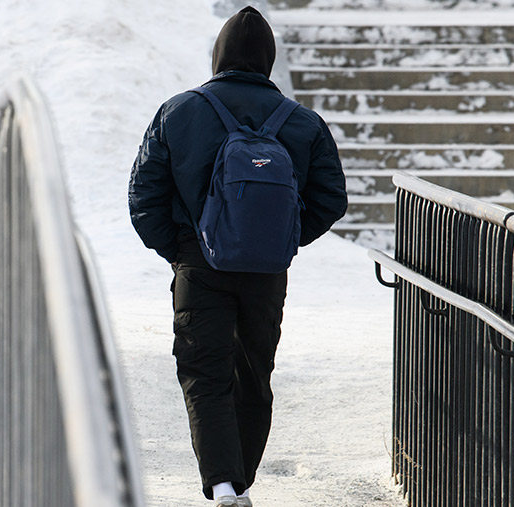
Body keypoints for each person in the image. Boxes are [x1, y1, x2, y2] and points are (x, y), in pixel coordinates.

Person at [128, 6, 347, 506]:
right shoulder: (303, 122)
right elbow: (332, 199)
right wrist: (280, 240)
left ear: (218, 56)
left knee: (204, 370)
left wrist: (181, 250)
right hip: (266, 270)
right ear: (268, 59)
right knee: (254, 373)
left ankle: (225, 484)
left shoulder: (178, 111)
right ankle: (240, 480)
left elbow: (144, 195)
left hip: (199, 264)